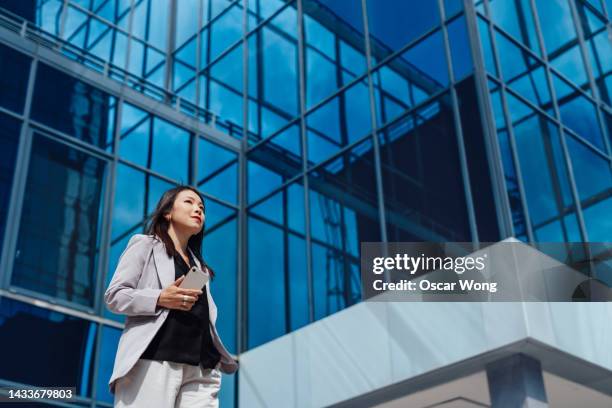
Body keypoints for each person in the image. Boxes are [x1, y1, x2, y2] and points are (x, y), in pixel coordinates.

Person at [104, 186, 238, 407]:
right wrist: (159, 298)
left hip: (200, 369)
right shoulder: (144, 245)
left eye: (202, 208)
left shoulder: (200, 268)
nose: (198, 210)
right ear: (167, 212)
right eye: (189, 202)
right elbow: (114, 296)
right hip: (155, 360)